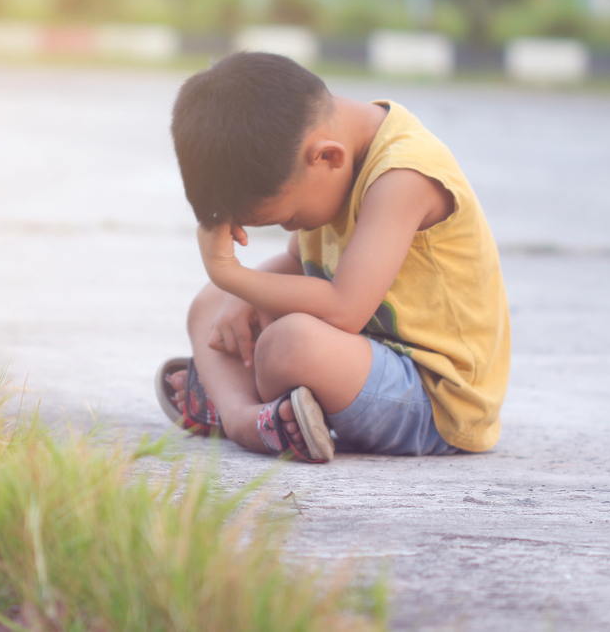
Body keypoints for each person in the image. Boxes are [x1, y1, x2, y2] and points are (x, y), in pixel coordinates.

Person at [155, 52, 510, 462]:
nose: (292, 230)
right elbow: (294, 264)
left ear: (327, 157)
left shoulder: (403, 175)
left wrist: (229, 273)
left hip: (433, 400)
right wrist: (236, 294)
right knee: (210, 305)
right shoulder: (324, 155)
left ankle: (230, 400)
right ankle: (244, 416)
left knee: (287, 344)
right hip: (356, 361)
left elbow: (344, 310)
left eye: (287, 218)